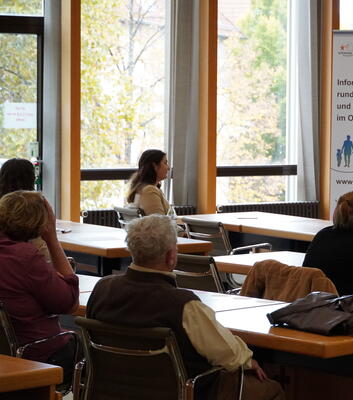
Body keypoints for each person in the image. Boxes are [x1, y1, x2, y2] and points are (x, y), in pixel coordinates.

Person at [86, 215, 284, 400]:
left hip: (112, 391)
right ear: (171, 256)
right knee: (272, 389)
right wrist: (249, 361)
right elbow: (228, 355)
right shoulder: (183, 305)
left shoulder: (103, 288)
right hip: (185, 391)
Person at [0, 191, 79, 384]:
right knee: (92, 351)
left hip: (5, 353)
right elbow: (69, 304)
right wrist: (52, 238)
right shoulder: (24, 257)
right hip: (36, 354)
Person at [0, 158, 50, 261]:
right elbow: (45, 257)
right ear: (30, 180)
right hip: (30, 261)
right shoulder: (32, 206)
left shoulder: (3, 205)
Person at [126, 149, 171, 215]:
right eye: (165, 163)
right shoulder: (149, 191)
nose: (168, 168)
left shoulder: (149, 188)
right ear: (154, 166)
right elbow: (159, 222)